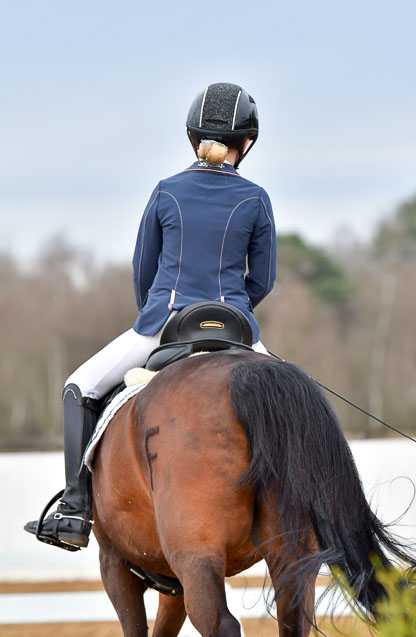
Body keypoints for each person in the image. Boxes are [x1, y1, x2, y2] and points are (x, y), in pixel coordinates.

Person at [25, 82, 276, 549]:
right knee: (295, 400)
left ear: (190, 135)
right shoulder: (257, 198)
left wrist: (159, 316)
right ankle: (310, 513)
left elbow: (143, 270)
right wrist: (233, 313)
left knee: (79, 387)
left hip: (165, 322)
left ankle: (76, 511)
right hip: (237, 329)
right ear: (248, 142)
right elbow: (262, 278)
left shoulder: (166, 191)